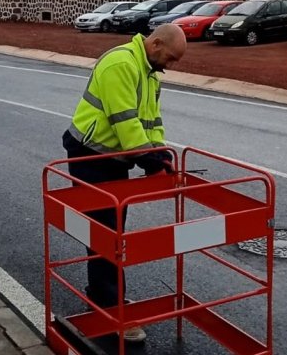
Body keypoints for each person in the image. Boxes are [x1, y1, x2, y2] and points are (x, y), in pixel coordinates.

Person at [62, 23, 187, 343]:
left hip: (115, 158)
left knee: (112, 230)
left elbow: (152, 121)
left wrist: (161, 155)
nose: (170, 66)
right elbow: (126, 124)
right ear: (155, 43)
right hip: (91, 156)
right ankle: (109, 307)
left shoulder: (148, 72)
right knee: (105, 233)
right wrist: (149, 160)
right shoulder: (121, 64)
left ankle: (105, 298)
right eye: (171, 58)